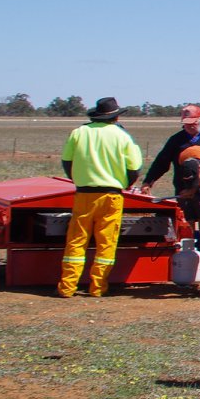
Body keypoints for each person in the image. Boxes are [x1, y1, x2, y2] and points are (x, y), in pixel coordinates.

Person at [56, 96, 145, 299]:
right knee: (106, 242)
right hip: (111, 195)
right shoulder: (122, 136)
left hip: (83, 194)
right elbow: (134, 167)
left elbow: (67, 162)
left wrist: (78, 178)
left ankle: (67, 287)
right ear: (115, 117)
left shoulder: (79, 132)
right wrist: (125, 184)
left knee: (76, 241)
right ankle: (97, 288)